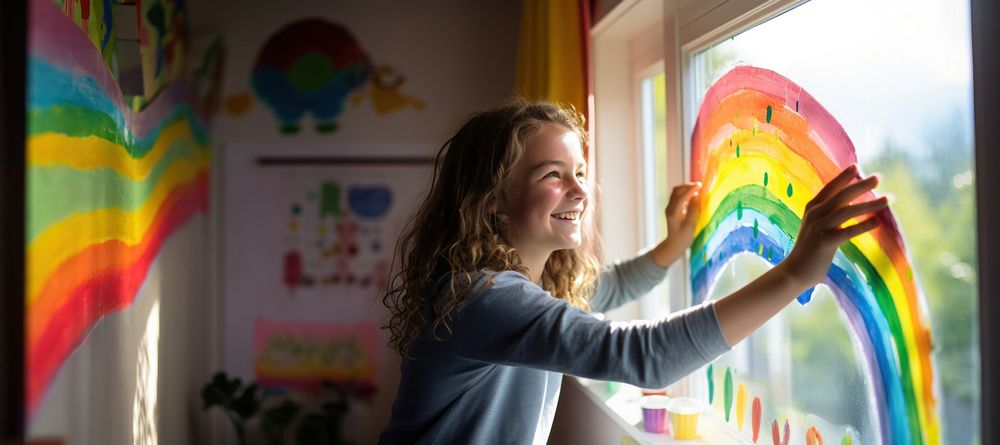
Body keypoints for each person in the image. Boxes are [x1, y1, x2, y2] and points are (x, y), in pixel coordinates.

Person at [378, 99, 888, 444]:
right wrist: (796, 273)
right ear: (491, 199)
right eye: (552, 175)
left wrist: (670, 247)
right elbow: (641, 355)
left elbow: (609, 286)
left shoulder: (533, 283)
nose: (579, 191)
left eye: (578, 172)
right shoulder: (483, 297)